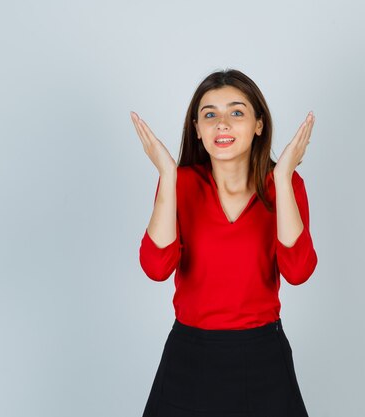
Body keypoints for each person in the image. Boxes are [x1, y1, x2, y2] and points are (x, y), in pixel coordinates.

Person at [131, 68, 318, 417]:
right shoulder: (181, 185)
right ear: (197, 129)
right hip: (190, 355)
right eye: (209, 115)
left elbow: (298, 270)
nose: (222, 124)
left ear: (258, 124)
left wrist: (283, 176)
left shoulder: (285, 187)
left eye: (236, 112)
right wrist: (167, 175)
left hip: (263, 356)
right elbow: (156, 268)